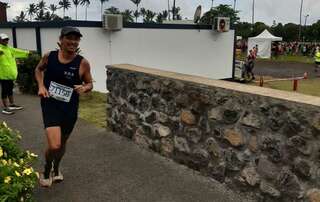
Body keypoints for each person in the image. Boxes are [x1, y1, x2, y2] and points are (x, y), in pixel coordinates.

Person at [35, 26, 93, 187]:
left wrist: (85, 88)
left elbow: (89, 83)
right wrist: (41, 86)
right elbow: (38, 70)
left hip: (69, 108)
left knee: (63, 143)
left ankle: (57, 168)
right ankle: (46, 169)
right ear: (61, 40)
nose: (73, 41)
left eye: (76, 39)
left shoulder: (82, 63)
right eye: (69, 38)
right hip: (50, 104)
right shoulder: (49, 56)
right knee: (55, 145)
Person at [0, 33, 31, 115]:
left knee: (10, 90)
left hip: (10, 75)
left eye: (7, 39)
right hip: (3, 75)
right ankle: (5, 108)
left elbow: (18, 51)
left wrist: (28, 53)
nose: (6, 41)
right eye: (4, 39)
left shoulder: (9, 49)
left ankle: (12, 104)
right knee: (4, 91)